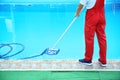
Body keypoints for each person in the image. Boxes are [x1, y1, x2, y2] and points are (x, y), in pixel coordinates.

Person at [75, 0, 107, 67]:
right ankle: (103, 60)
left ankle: (88, 59)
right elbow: (103, 4)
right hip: (101, 15)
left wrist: (77, 13)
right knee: (102, 38)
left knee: (89, 38)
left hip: (92, 16)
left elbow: (80, 5)